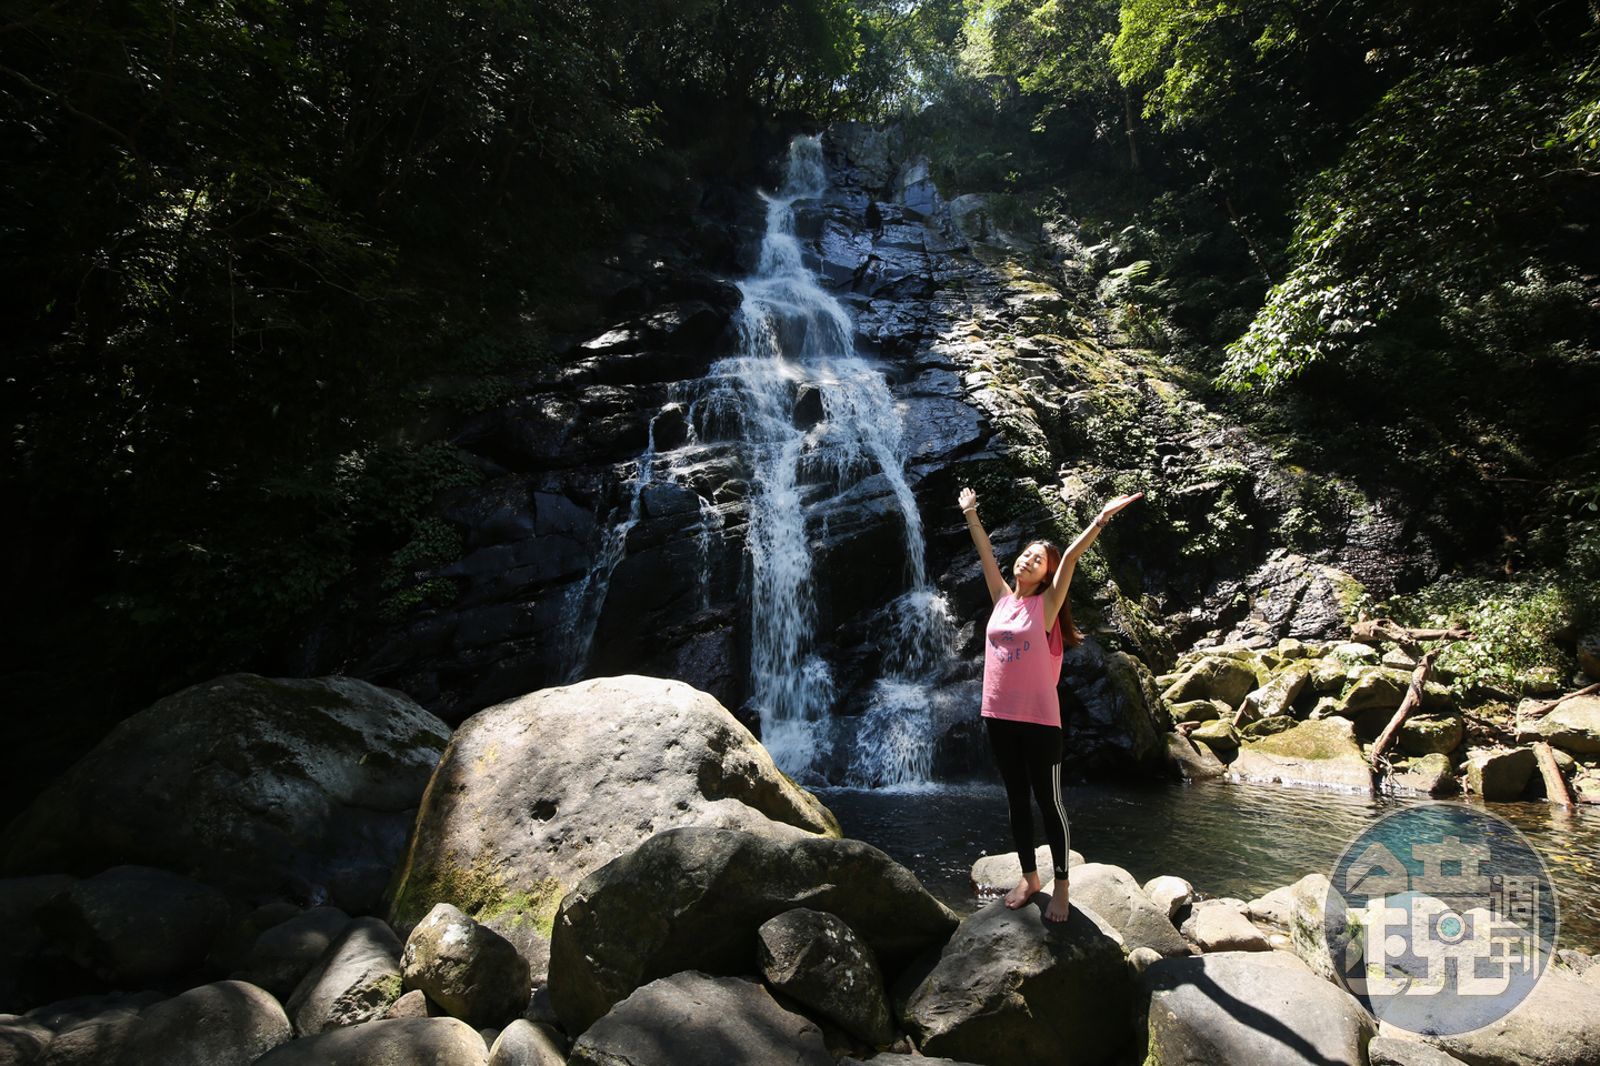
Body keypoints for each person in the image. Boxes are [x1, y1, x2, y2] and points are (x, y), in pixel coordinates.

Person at [957, 484, 1142, 921]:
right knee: (1016, 800)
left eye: (1038, 559)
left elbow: (1073, 556)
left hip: (1040, 722)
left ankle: (1061, 883)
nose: (1027, 559)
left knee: (1050, 802)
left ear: (1046, 575)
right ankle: (1029, 876)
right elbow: (986, 554)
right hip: (998, 715)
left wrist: (1101, 518)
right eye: (1026, 554)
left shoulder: (1047, 606)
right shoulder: (1002, 600)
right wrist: (971, 513)